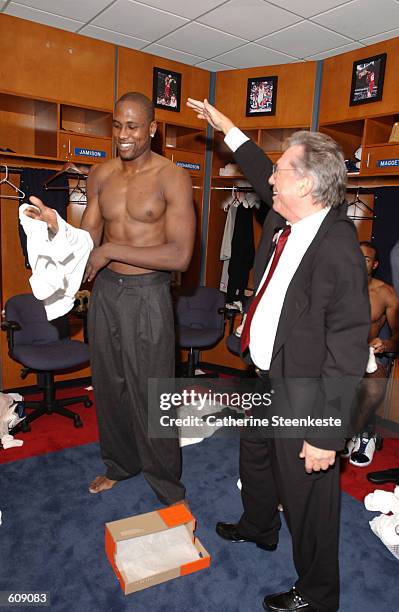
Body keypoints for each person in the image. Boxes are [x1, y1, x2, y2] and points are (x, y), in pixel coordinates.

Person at [187, 98, 370, 612]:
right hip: (265, 375)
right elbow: (260, 167)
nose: (270, 181)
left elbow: (348, 348)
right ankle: (259, 526)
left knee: (310, 498)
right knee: (256, 455)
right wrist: (228, 129)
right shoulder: (286, 218)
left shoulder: (337, 249)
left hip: (307, 392)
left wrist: (324, 434)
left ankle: (317, 594)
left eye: (282, 172)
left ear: (307, 184)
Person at [24, 92, 195, 506]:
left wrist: (112, 251)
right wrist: (55, 231)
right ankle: (120, 463)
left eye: (133, 126)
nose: (122, 134)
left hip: (149, 294)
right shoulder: (100, 176)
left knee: (150, 390)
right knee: (109, 384)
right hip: (106, 295)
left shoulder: (172, 176)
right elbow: (87, 245)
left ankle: (165, 482)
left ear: (152, 129)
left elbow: (180, 256)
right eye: (117, 125)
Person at [345, 242, 399, 466]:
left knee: (375, 385)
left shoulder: (385, 293)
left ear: (374, 265)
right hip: (336, 351)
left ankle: (360, 432)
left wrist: (385, 345)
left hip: (369, 352)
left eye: (366, 259)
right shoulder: (334, 285)